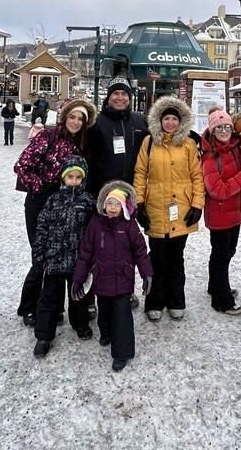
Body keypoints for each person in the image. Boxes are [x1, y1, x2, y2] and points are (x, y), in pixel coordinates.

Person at [13, 99, 97, 327]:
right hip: (40, 203)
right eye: (73, 117)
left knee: (64, 258)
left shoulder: (80, 143)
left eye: (81, 119)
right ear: (64, 117)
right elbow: (22, 166)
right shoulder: (47, 136)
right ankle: (29, 307)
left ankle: (57, 308)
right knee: (41, 257)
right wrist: (42, 187)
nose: (76, 122)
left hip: (67, 206)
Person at [133, 95, 205, 322]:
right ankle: (154, 300)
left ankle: (176, 300)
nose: (171, 123)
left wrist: (197, 205)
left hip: (182, 209)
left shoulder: (189, 144)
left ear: (180, 121)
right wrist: (139, 203)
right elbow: (140, 174)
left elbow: (197, 176)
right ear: (159, 121)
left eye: (175, 119)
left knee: (176, 258)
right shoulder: (149, 143)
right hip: (156, 207)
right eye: (167, 119)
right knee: (156, 257)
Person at [72, 180, 153, 372]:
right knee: (105, 310)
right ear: (103, 204)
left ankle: (122, 352)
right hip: (102, 277)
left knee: (122, 315)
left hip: (123, 278)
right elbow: (85, 254)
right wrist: (78, 279)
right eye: (110, 203)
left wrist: (147, 273)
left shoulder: (129, 226)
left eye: (117, 204)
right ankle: (106, 333)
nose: (113, 208)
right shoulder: (96, 224)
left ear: (124, 206)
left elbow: (141, 252)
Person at [85, 75, 150, 309]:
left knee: (125, 249)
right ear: (109, 97)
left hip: (129, 198)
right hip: (103, 197)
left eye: (124, 94)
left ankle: (124, 290)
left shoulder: (140, 121)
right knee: (99, 248)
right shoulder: (97, 123)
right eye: (116, 94)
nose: (120, 97)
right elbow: (88, 159)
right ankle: (92, 294)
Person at [32, 156, 97, 358]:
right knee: (49, 298)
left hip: (78, 260)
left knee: (78, 296)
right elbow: (42, 225)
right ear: (63, 178)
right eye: (71, 177)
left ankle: (80, 323)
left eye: (78, 177)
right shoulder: (53, 200)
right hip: (54, 258)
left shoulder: (88, 201)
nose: (74, 180)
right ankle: (44, 335)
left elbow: (93, 230)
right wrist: (39, 251)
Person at [201, 107, 241, 315]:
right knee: (221, 254)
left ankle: (215, 286)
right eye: (219, 128)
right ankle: (221, 300)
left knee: (227, 252)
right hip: (220, 212)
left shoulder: (234, 148)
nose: (224, 131)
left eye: (227, 127)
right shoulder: (210, 157)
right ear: (212, 131)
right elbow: (217, 190)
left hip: (235, 211)